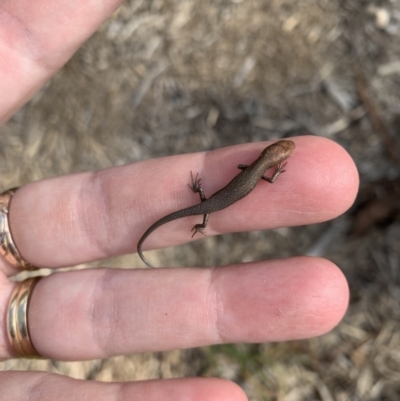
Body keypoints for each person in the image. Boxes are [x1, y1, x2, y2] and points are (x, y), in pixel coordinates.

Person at [0, 1, 359, 400]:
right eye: (282, 154)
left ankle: (194, 216)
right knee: (200, 211)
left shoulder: (254, 163)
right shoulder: (265, 172)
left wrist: (212, 200)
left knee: (202, 207)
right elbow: (266, 181)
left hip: (216, 200)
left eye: (282, 154)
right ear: (275, 155)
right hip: (215, 202)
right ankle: (192, 220)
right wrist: (228, 198)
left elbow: (246, 167)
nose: (283, 154)